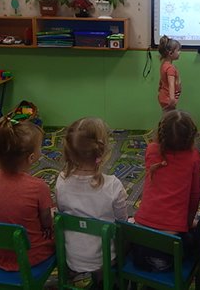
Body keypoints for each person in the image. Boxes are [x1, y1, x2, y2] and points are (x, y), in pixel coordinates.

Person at [56, 117, 128, 283]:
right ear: (101, 151)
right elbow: (122, 222)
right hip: (105, 259)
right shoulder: (113, 185)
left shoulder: (61, 181)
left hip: (72, 257)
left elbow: (61, 211)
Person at [133, 110, 200, 271]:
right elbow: (195, 195)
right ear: (191, 137)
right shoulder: (193, 157)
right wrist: (188, 222)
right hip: (172, 250)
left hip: (140, 245)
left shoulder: (151, 149)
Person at [0, 116, 55, 271]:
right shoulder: (38, 187)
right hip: (32, 256)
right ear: (32, 158)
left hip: (2, 255)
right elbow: (47, 223)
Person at [158, 35, 182, 111]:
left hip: (164, 96)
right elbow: (171, 84)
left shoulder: (164, 64)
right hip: (168, 99)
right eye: (178, 50)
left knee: (167, 115)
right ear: (170, 53)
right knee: (169, 116)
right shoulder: (170, 68)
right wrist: (172, 99)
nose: (180, 52)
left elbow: (162, 80)